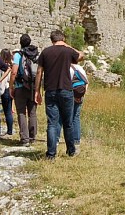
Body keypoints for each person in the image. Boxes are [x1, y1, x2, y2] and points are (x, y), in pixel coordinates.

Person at [34, 29, 84, 159]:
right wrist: (68, 46)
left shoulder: (45, 52)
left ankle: (51, 154)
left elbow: (39, 72)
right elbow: (81, 55)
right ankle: (71, 151)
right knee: (68, 123)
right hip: (66, 90)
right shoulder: (68, 51)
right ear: (63, 39)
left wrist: (37, 91)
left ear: (52, 40)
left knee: (52, 123)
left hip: (50, 90)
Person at [10, 34, 39, 146]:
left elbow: (14, 72)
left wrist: (11, 86)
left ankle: (24, 138)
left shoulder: (18, 55)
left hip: (20, 86)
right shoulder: (36, 54)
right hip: (32, 86)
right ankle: (32, 137)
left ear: (20, 43)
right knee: (32, 112)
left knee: (21, 112)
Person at [0, 48, 14, 136]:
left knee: (7, 110)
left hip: (5, 88)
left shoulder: (2, 65)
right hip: (11, 88)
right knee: (9, 110)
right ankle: (10, 129)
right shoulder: (12, 64)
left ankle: (9, 130)